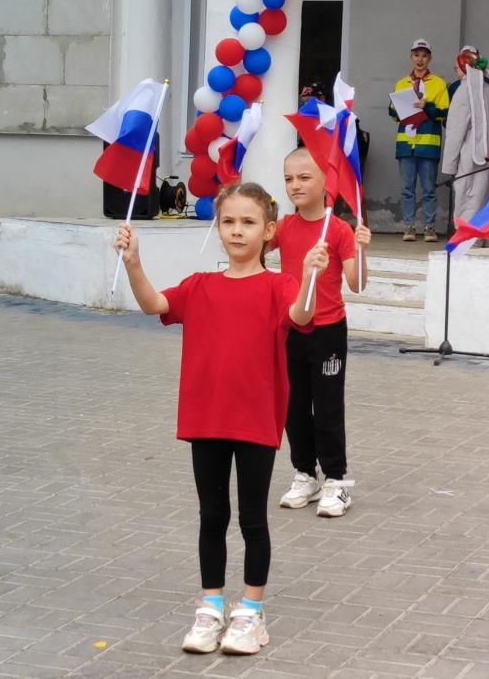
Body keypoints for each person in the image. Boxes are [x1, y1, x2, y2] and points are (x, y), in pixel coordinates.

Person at [115, 181, 319, 656]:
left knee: (252, 518)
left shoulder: (277, 286)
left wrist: (308, 275)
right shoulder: (199, 285)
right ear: (218, 226)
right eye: (228, 221)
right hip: (206, 418)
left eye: (248, 222)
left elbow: (302, 314)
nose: (237, 231)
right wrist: (134, 265)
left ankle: (251, 613)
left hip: (255, 420)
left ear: (269, 231)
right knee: (212, 515)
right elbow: (154, 305)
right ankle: (210, 608)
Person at [275, 149, 372, 518]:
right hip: (291, 327)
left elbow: (357, 283)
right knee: (293, 407)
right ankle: (305, 474)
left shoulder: (340, 230)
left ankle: (336, 479)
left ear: (325, 182)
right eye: (289, 179)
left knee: (328, 406)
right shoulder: (282, 227)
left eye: (304, 177)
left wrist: (361, 251)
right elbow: (248, 248)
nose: (295, 185)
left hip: (328, 330)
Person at [388, 39, 449, 242]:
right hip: (406, 144)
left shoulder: (440, 84)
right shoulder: (401, 83)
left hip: (428, 144)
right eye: (416, 54)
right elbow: (392, 110)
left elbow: (444, 113)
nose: (420, 59)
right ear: (411, 56)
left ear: (430, 58)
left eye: (424, 55)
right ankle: (409, 227)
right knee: (407, 189)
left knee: (429, 188)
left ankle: (429, 228)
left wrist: (426, 106)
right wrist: (400, 107)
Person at [441, 46, 489, 232]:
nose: (456, 72)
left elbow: (455, 131)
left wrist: (449, 165)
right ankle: (483, 238)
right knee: (485, 194)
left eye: (456, 68)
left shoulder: (463, 91)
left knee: (468, 196)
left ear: (464, 68)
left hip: (471, 155)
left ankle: (468, 239)